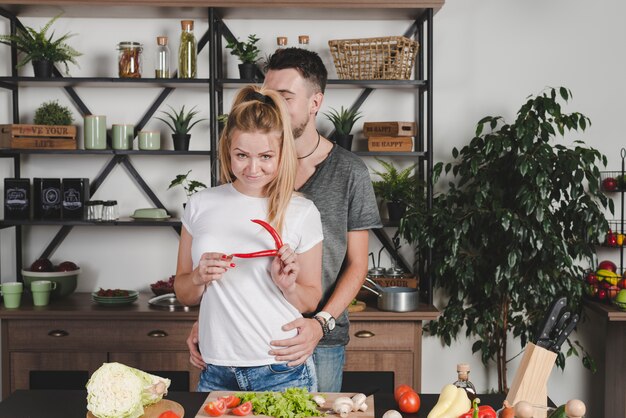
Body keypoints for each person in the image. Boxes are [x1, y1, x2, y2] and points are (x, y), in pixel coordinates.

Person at [187, 48, 382, 392]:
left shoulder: (349, 172)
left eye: (285, 96)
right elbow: (219, 251)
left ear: (315, 102)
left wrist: (320, 323)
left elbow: (356, 265)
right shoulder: (250, 167)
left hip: (320, 337)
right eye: (268, 94)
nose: (271, 104)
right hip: (244, 346)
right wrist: (209, 320)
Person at [175, 84, 324, 392]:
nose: (253, 168)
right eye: (241, 155)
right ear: (227, 151)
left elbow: (310, 300)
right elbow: (184, 293)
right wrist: (199, 277)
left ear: (282, 154)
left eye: (266, 156)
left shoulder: (302, 211)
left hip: (280, 367)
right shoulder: (200, 204)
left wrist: (289, 285)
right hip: (216, 368)